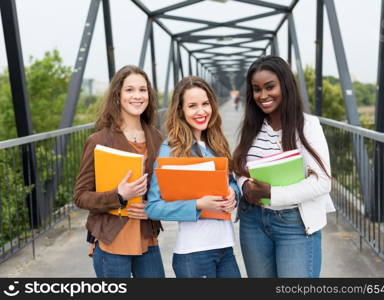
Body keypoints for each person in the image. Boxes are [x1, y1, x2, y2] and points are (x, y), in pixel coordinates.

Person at [232, 55, 335, 278]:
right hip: (253, 221)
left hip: (294, 223)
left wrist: (271, 193)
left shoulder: (307, 125)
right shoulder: (253, 126)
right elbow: (239, 165)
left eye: (270, 87)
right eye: (256, 89)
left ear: (285, 86)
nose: (263, 95)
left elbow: (323, 182)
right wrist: (244, 186)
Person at [74, 65, 165, 278]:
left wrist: (154, 208)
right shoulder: (99, 140)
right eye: (130, 90)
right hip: (111, 241)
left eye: (143, 90)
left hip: (147, 238)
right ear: (118, 95)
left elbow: (164, 189)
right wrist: (119, 196)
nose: (138, 96)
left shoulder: (157, 138)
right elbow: (80, 196)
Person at [145, 76, 241, 278]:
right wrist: (198, 204)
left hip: (226, 249)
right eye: (192, 106)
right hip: (194, 254)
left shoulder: (217, 143)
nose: (201, 111)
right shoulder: (170, 149)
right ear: (181, 111)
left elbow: (230, 181)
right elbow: (153, 207)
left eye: (205, 104)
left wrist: (234, 193)